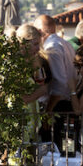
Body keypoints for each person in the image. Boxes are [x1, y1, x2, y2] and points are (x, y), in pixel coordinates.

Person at [34, 14, 76, 142]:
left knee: (53, 147)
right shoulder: (66, 44)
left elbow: (60, 83)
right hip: (65, 103)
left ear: (41, 31)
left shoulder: (52, 48)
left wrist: (48, 111)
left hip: (56, 106)